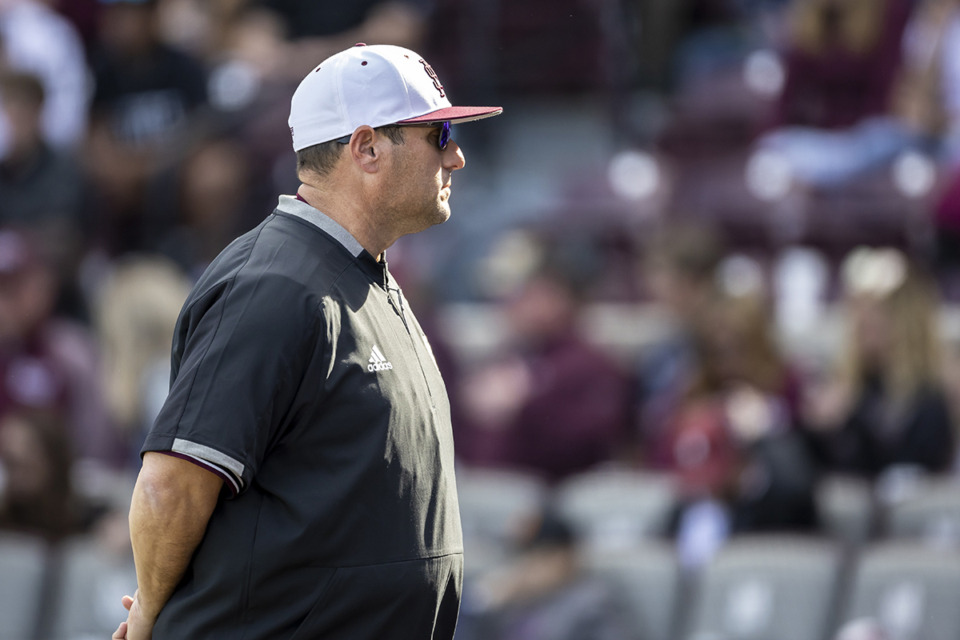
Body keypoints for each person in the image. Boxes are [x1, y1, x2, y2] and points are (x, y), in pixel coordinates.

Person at [112, 43, 501, 640]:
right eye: (438, 132)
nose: (456, 156)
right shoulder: (272, 283)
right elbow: (172, 483)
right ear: (366, 147)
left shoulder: (359, 274)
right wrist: (146, 620)